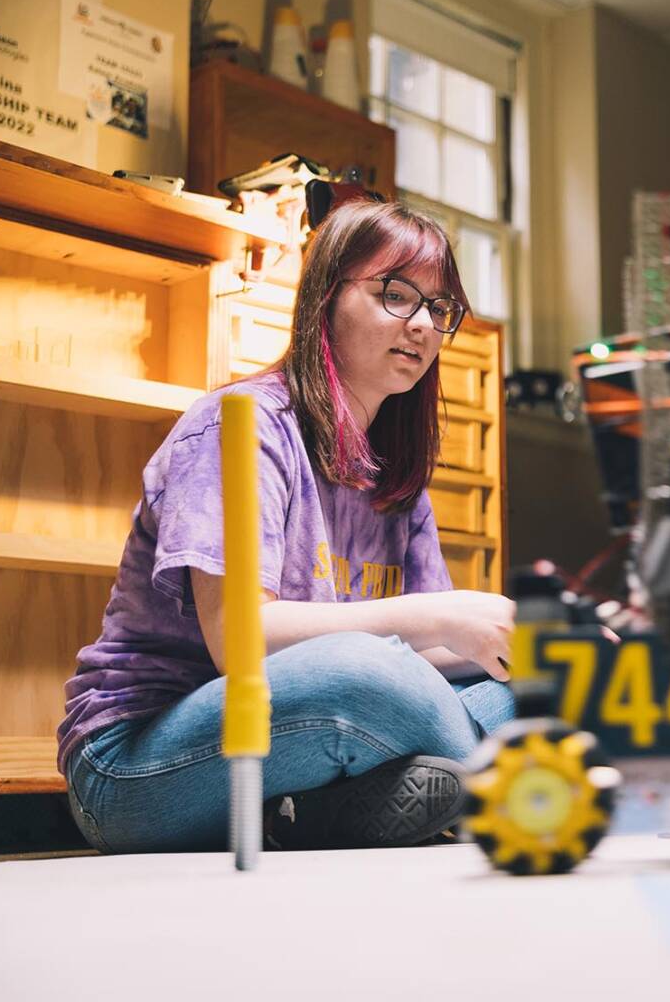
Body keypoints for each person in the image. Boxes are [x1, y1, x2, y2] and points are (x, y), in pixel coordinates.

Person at [57, 200, 517, 852]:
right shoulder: (239, 425)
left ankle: (317, 814)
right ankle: (516, 787)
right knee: (370, 672)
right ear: (327, 297)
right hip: (138, 762)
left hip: (292, 746)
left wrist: (527, 641)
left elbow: (433, 657)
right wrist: (442, 614)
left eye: (438, 309)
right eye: (396, 295)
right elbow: (239, 641)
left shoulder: (395, 475)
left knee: (524, 687)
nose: (421, 325)